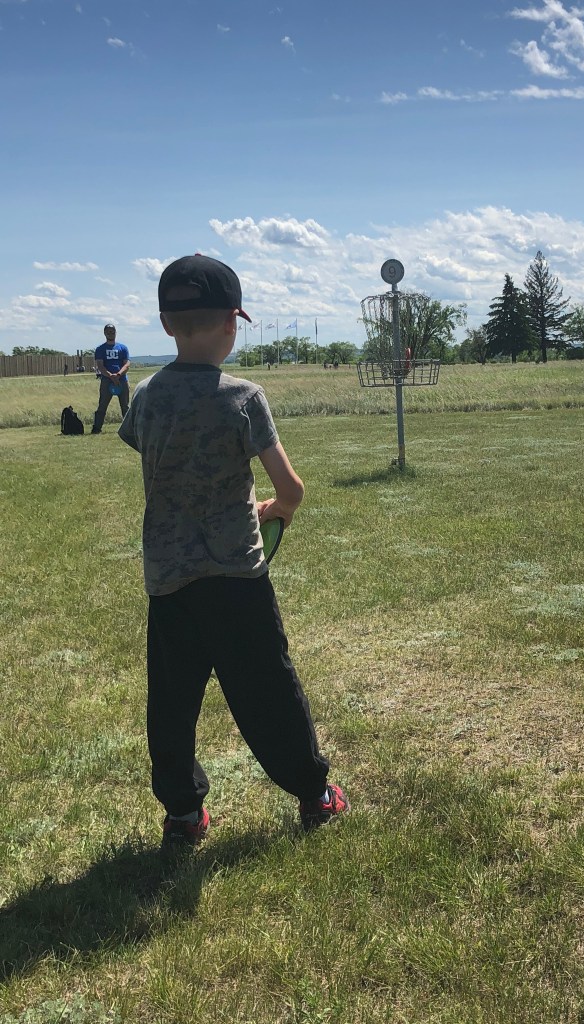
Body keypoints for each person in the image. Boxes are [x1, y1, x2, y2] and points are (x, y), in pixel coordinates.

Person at [118, 254, 348, 847]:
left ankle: (182, 814)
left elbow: (154, 456)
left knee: (172, 703)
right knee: (267, 688)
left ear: (166, 324)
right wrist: (278, 509)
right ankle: (314, 794)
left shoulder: (145, 397)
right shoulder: (244, 397)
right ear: (232, 322)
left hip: (169, 579)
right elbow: (291, 488)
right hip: (238, 577)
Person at [92, 323, 130, 434]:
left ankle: (129, 429)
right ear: (105, 333)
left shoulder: (123, 348)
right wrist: (110, 375)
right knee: (102, 405)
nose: (111, 333)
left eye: (112, 331)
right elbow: (100, 365)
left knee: (125, 406)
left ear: (116, 332)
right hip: (106, 380)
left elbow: (127, 364)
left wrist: (118, 375)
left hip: (122, 380)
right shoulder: (100, 349)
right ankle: (96, 428)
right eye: (108, 332)